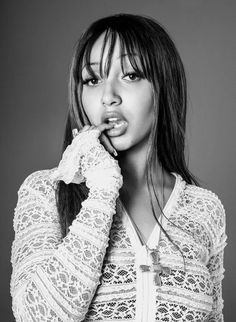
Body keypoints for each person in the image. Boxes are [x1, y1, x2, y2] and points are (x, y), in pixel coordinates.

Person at [10, 13, 227, 321]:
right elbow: (36, 317)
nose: (108, 97)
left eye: (131, 75)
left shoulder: (205, 210)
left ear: (163, 86)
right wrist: (102, 188)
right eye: (93, 80)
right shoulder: (46, 192)